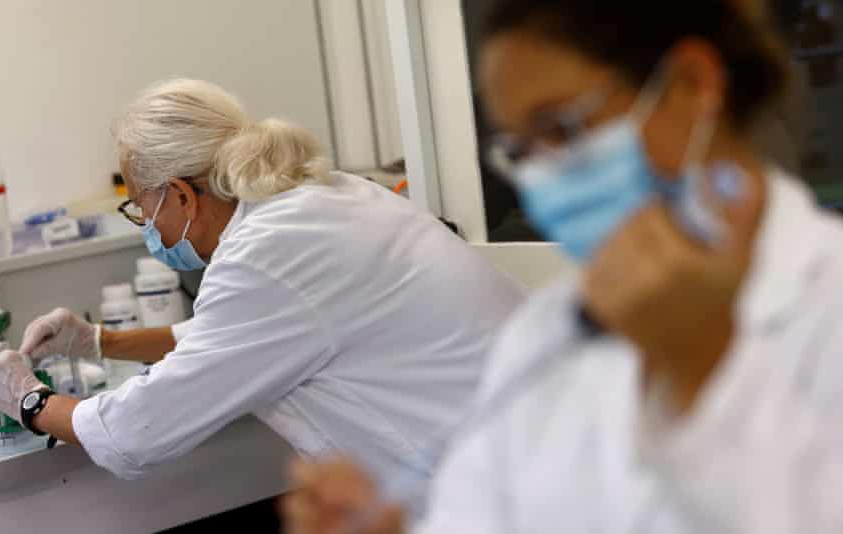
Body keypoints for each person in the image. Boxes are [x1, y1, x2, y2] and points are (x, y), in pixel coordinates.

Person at [281, 1, 843, 532]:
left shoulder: (826, 300)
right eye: (523, 151)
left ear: (690, 86)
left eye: (559, 131)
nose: (544, 181)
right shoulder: (548, 331)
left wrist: (702, 368)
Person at [0, 78, 524, 481]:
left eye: (142, 209)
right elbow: (246, 333)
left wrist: (29, 400)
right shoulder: (326, 195)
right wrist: (101, 340)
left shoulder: (263, 256)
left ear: (183, 195)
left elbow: (134, 430)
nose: (146, 227)